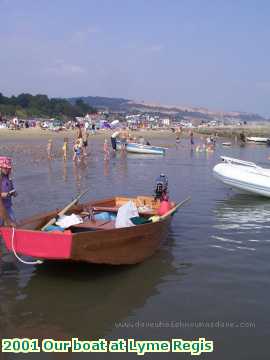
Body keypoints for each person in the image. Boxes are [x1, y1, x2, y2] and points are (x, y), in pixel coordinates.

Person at [0, 157, 17, 226]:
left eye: (9, 168)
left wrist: (14, 193)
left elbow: (11, 188)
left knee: (13, 221)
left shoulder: (8, 178)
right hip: (1, 207)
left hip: (8, 206)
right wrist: (3, 194)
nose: (7, 170)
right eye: (5, 168)